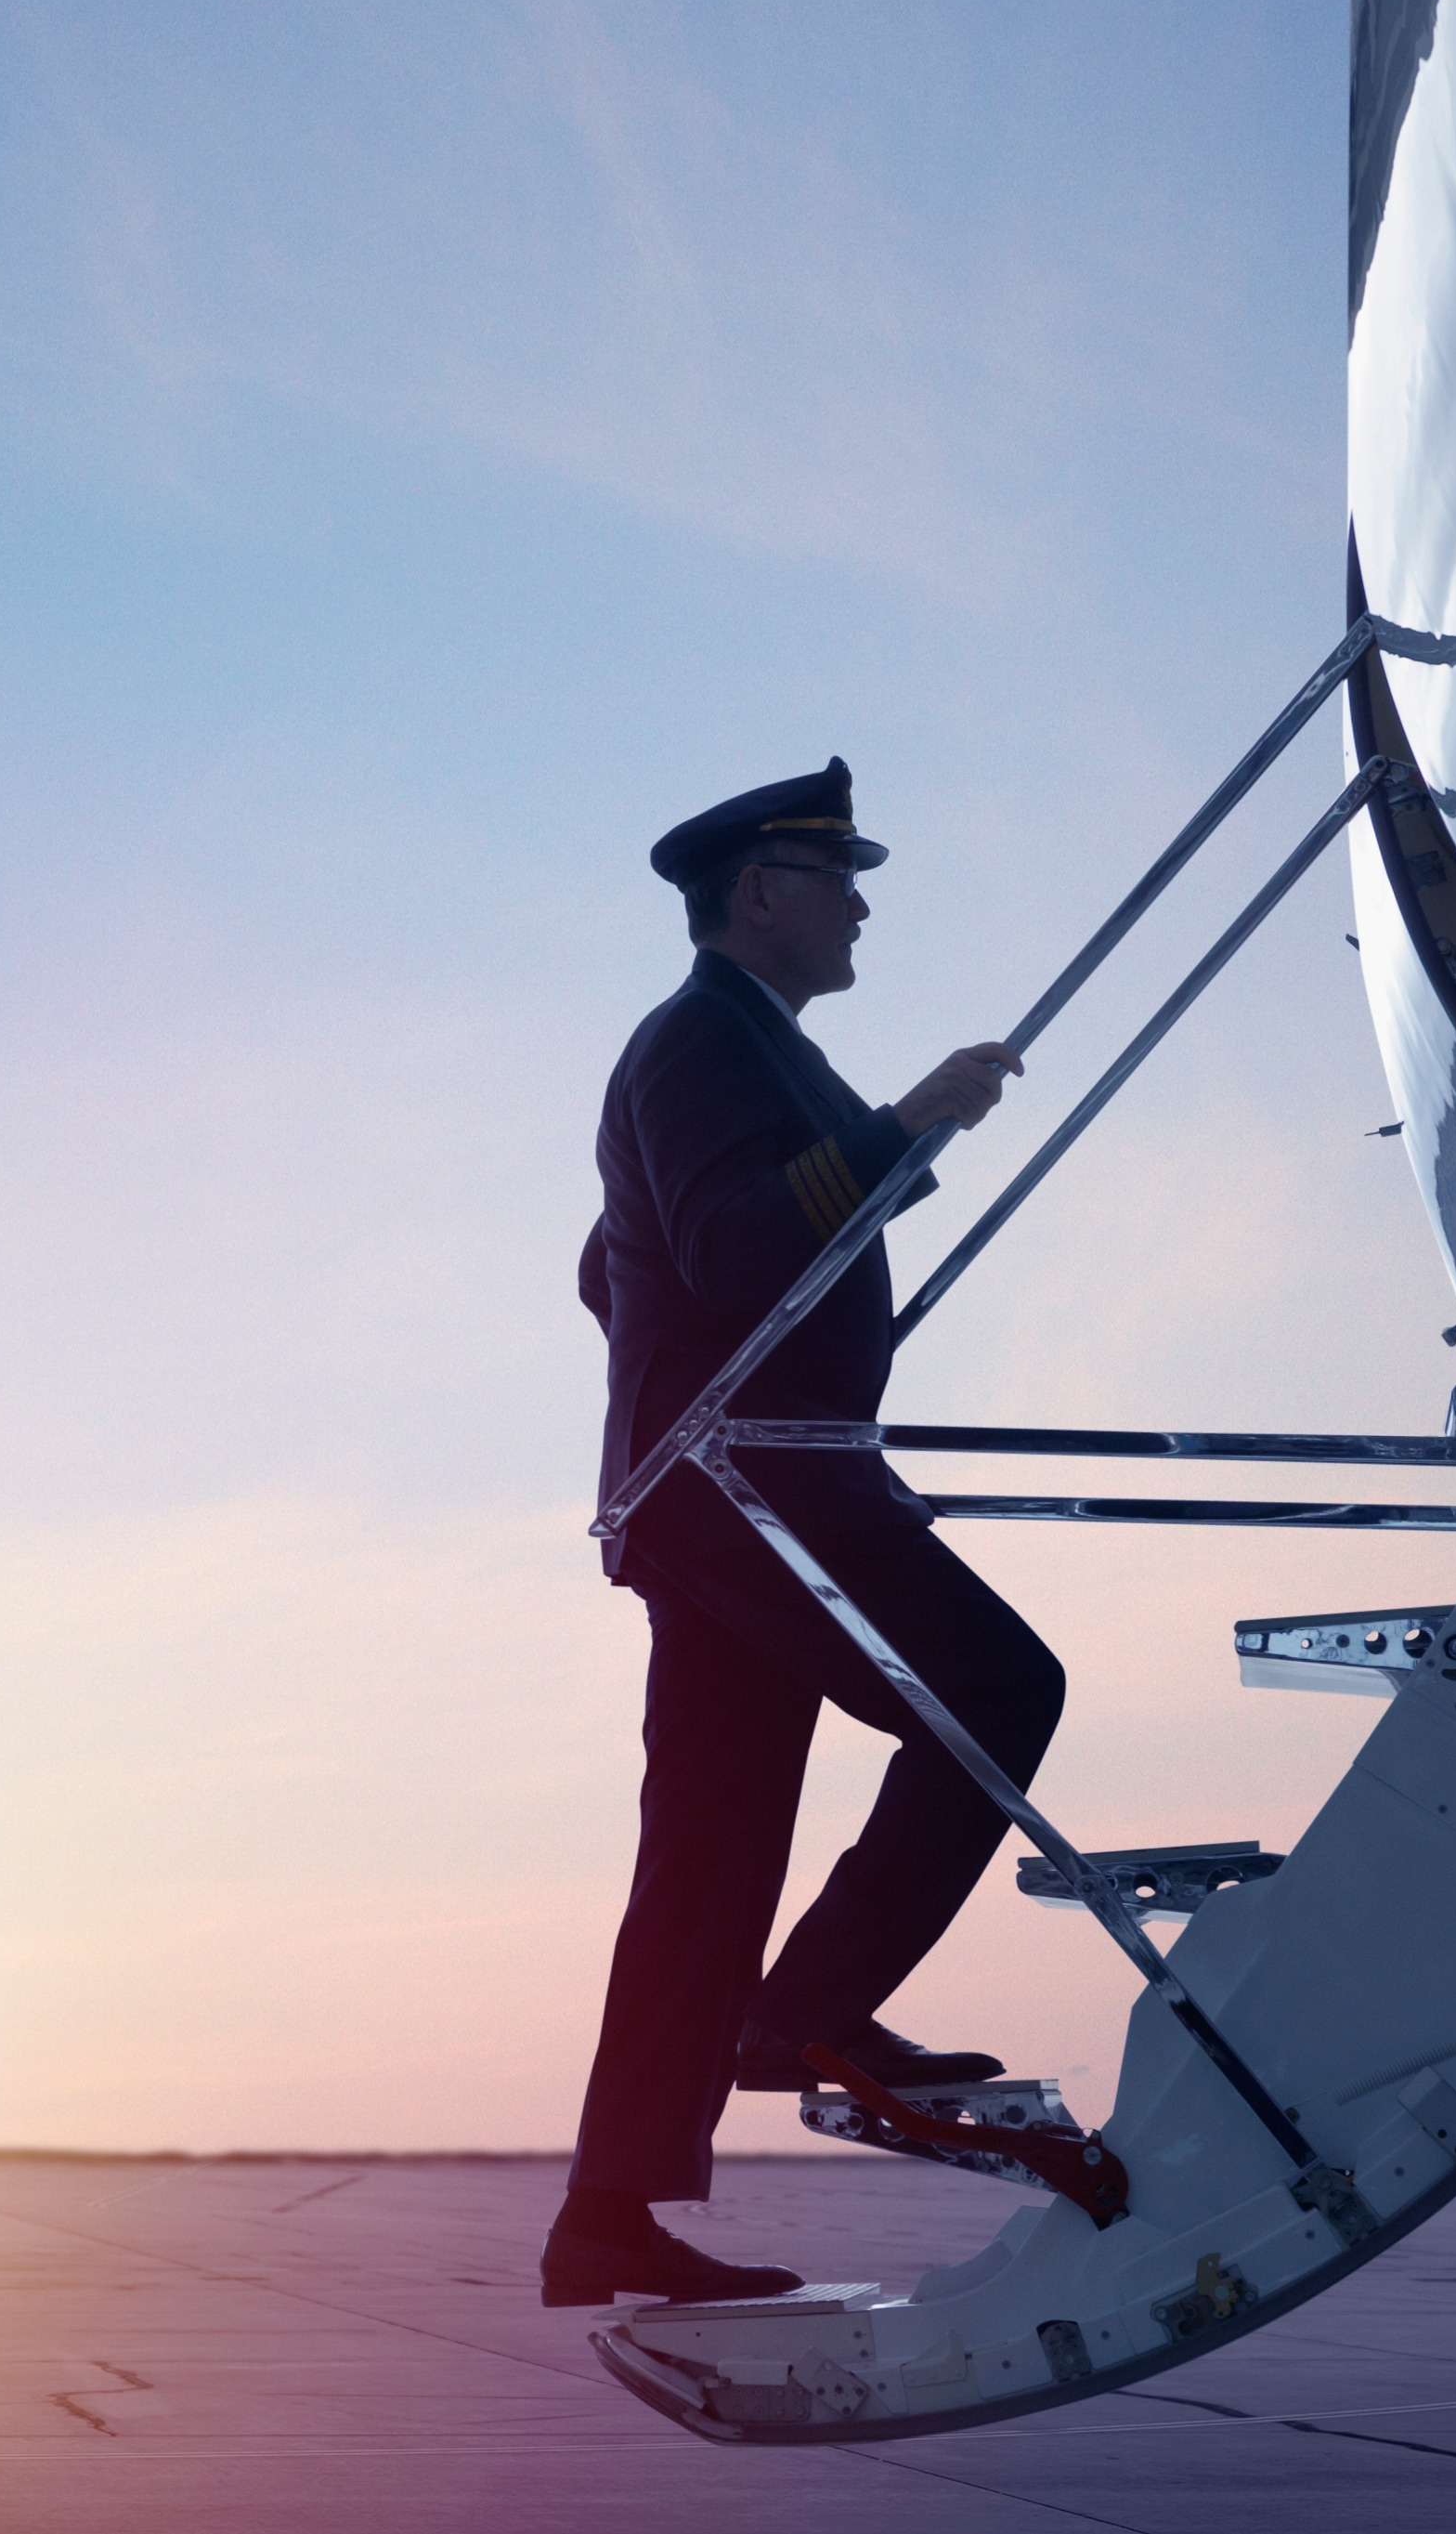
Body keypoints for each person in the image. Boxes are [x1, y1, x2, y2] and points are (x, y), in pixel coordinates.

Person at [541, 759, 1065, 2311]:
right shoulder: (701, 1038)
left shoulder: (741, 1052)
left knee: (704, 1862)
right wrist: (916, 1120)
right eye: (835, 876)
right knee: (994, 1687)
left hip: (724, 1490)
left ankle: (606, 2219)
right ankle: (812, 2005)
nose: (859, 904)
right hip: (751, 1493)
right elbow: (721, 1243)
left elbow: (611, 1265)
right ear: (754, 891)